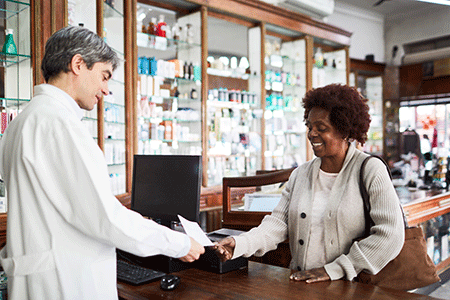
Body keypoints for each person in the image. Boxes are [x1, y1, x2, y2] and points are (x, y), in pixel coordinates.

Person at [0, 26, 204, 299]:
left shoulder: (21, 123)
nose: (106, 89)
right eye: (104, 76)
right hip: (66, 283)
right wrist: (180, 244)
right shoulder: (60, 125)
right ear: (78, 64)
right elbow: (105, 218)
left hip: (38, 278)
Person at [214, 84, 404, 283]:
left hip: (349, 288)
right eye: (310, 127)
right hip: (302, 285)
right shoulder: (300, 174)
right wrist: (240, 244)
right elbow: (278, 224)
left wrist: (334, 270)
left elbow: (391, 235)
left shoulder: (370, 170)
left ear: (345, 131)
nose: (312, 134)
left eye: (321, 128)